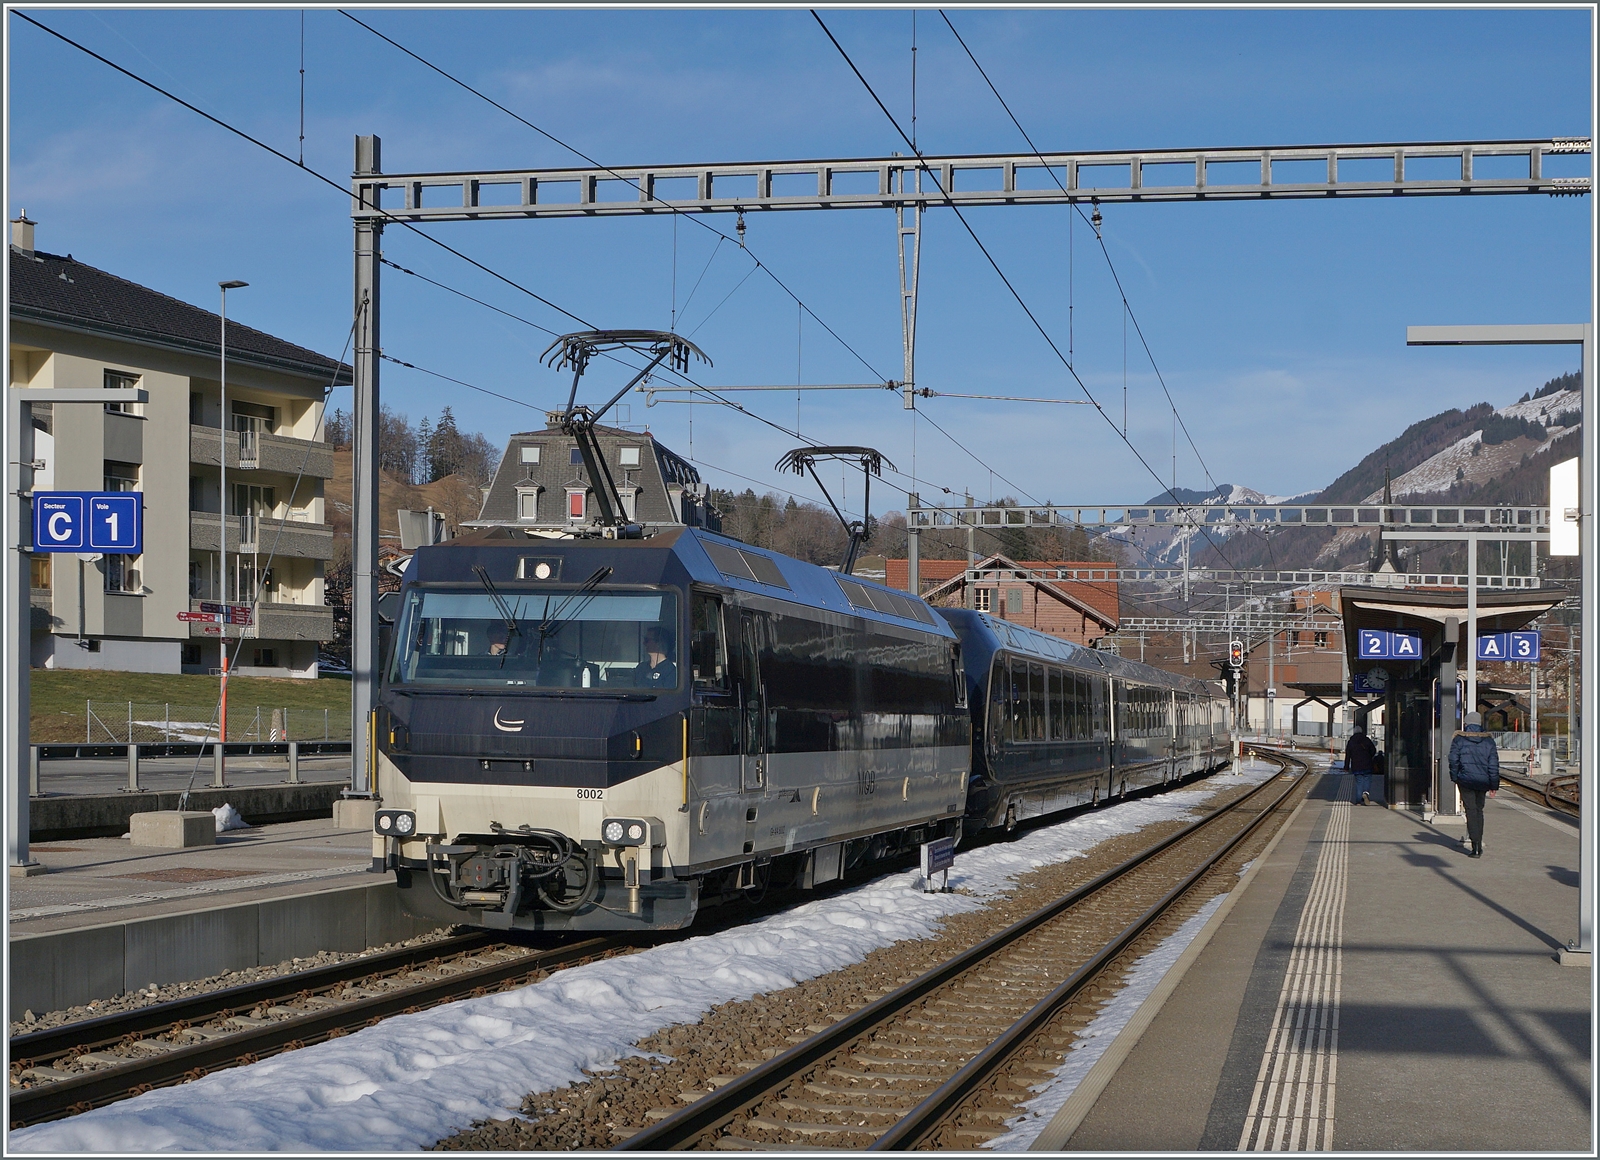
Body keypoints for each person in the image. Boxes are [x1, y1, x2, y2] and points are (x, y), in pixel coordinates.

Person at [1449, 712, 1500, 858]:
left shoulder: (1459, 740)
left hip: (1465, 780)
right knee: (1479, 811)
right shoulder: (1489, 741)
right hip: (1482, 782)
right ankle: (1478, 844)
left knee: (1470, 811)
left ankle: (1475, 846)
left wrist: (1455, 777)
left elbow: (1453, 760)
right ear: (1479, 723)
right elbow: (1493, 765)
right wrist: (1494, 785)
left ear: (1466, 723)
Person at [1345, 724, 1378, 805]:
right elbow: (1373, 750)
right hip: (1367, 764)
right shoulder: (1366, 740)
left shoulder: (1351, 742)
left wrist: (1346, 766)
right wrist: (1369, 756)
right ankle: (1366, 793)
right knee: (1367, 779)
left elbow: (1348, 755)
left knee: (1359, 782)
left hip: (1356, 765)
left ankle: (1358, 801)